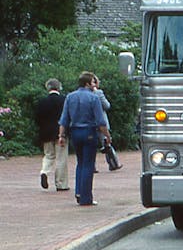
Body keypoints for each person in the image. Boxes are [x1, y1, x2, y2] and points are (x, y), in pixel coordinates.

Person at [58, 72, 111, 206]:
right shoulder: (94, 98)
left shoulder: (70, 97)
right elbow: (100, 121)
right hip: (89, 131)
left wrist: (61, 136)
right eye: (93, 82)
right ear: (87, 83)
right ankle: (86, 197)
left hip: (74, 132)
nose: (95, 85)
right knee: (88, 164)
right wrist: (107, 135)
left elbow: (64, 119)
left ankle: (79, 191)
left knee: (80, 162)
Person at [34, 78, 69, 191]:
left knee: (48, 155)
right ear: (59, 87)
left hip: (46, 133)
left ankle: (44, 171)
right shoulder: (64, 100)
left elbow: (37, 118)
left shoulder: (42, 102)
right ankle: (61, 184)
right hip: (60, 132)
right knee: (61, 158)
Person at [92, 76, 121, 171]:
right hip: (101, 121)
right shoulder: (98, 93)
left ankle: (92, 166)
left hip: (89, 123)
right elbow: (107, 105)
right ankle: (113, 163)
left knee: (91, 145)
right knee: (107, 143)